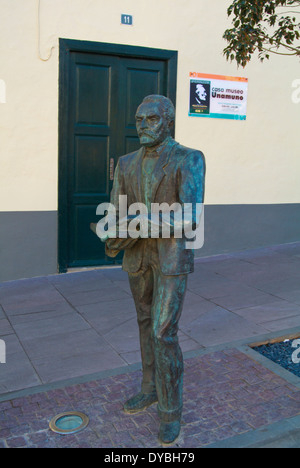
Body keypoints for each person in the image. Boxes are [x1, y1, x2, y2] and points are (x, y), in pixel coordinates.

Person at [100, 95, 205, 445]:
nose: (142, 126)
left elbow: (190, 217)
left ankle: (170, 410)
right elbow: (117, 212)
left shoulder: (189, 159)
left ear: (169, 121)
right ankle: (150, 388)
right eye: (138, 119)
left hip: (171, 259)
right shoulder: (127, 163)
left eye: (151, 120)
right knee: (145, 325)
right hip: (137, 257)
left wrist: (143, 220)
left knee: (163, 332)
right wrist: (111, 230)